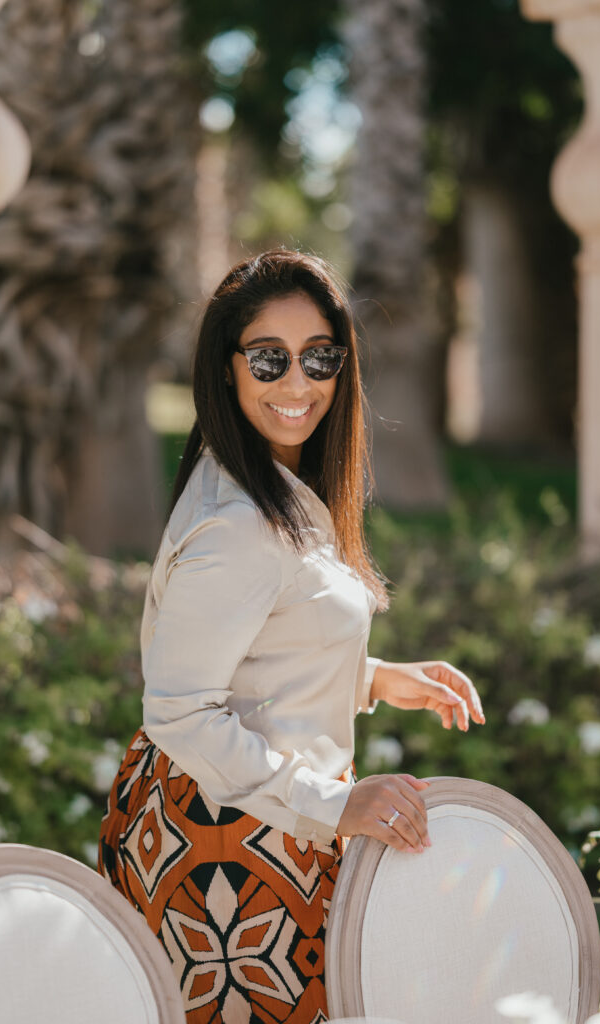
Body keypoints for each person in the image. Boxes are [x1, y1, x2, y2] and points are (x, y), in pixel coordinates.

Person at [97, 248, 485, 1023]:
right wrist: (335, 805)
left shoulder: (269, 488)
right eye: (269, 360)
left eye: (319, 358)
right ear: (227, 367)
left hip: (248, 824)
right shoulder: (238, 523)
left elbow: (259, 649)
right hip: (226, 851)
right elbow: (180, 714)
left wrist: (371, 677)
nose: (298, 384)